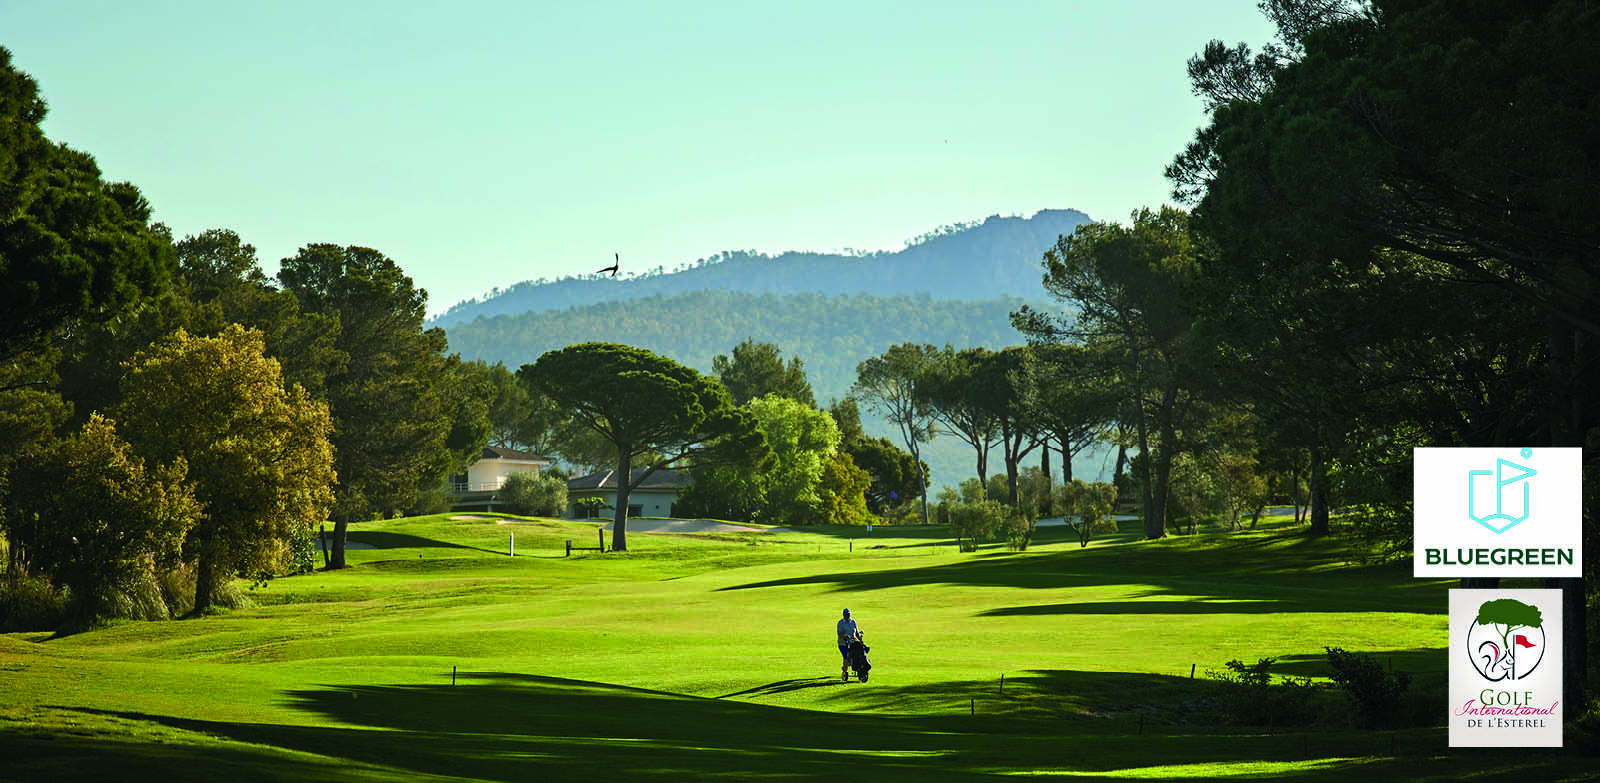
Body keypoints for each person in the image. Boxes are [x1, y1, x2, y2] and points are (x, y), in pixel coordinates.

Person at [836, 608, 860, 678]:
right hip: (843, 644)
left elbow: (857, 633)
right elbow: (839, 634)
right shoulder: (840, 623)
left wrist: (860, 640)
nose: (848, 616)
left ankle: (846, 666)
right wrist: (844, 636)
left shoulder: (853, 622)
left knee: (856, 657)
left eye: (849, 614)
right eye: (846, 614)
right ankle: (845, 671)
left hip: (853, 643)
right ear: (843, 615)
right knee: (847, 658)